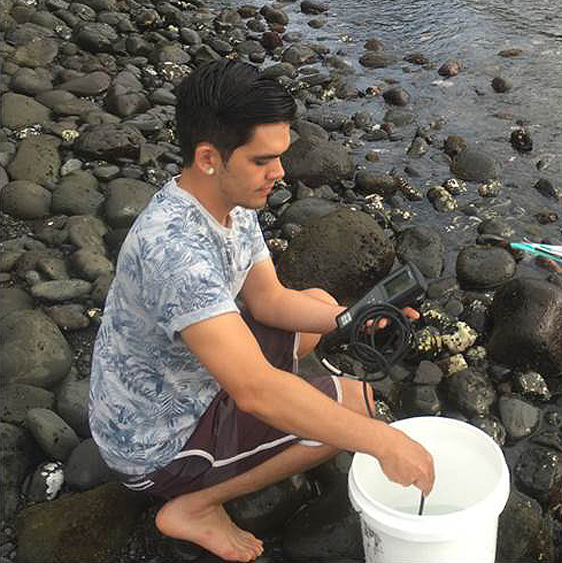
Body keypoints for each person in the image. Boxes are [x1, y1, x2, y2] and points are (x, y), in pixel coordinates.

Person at [88, 59, 434, 563]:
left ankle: (290, 410)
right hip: (155, 441)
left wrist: (354, 318)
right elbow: (253, 392)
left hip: (188, 373)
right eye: (262, 160)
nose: (280, 173)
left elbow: (268, 299)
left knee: (315, 306)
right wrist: (384, 443)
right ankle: (194, 508)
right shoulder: (175, 252)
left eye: (281, 156)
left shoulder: (225, 201)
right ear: (209, 157)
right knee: (354, 406)